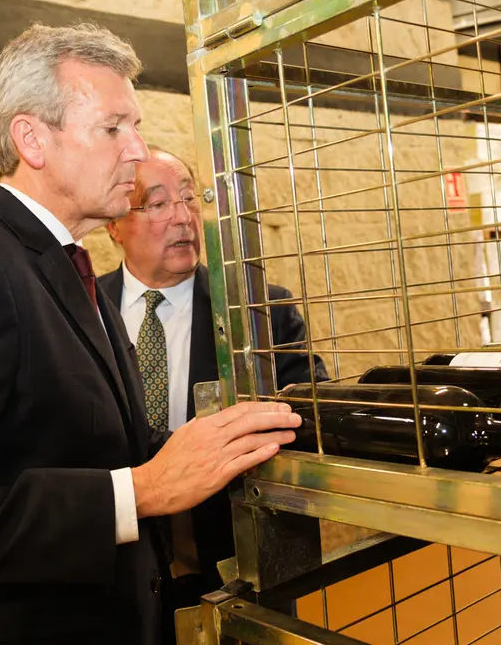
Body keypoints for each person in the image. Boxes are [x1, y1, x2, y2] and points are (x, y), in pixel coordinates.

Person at [0, 23, 301, 645]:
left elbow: (81, 443)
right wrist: (138, 492)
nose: (137, 150)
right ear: (32, 139)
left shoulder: (66, 267)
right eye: (113, 128)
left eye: (134, 127)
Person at [101, 147, 328, 635]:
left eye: (190, 199)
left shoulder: (260, 311)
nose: (183, 217)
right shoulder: (81, 309)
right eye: (157, 204)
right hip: (114, 577)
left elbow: (311, 417)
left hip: (233, 572)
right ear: (114, 224)